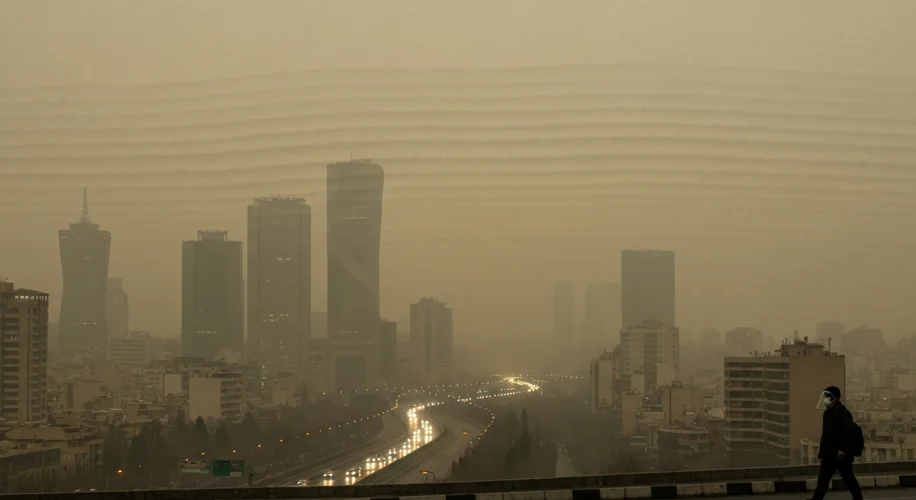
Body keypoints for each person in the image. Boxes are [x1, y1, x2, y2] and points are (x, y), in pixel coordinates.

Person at [809, 386, 863, 500]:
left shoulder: (843, 413)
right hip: (829, 454)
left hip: (840, 455)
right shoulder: (827, 413)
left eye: (829, 396)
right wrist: (822, 452)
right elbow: (826, 435)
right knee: (823, 480)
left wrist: (843, 449)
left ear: (836, 398)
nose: (826, 399)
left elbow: (849, 433)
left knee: (849, 480)